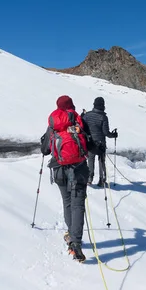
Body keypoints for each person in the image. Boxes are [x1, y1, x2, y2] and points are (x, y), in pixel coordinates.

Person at [41, 95, 89, 262]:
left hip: (59, 169)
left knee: (67, 202)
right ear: (72, 105)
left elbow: (45, 149)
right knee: (78, 205)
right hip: (79, 170)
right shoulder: (78, 122)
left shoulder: (53, 125)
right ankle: (76, 242)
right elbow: (90, 143)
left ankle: (71, 234)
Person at [82, 97, 118, 187]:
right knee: (101, 160)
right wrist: (114, 135)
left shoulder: (87, 115)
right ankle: (102, 180)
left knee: (90, 160)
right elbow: (106, 133)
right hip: (101, 143)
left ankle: (89, 179)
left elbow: (83, 127)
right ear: (103, 106)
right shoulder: (103, 117)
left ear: (94, 104)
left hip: (90, 142)